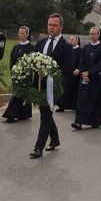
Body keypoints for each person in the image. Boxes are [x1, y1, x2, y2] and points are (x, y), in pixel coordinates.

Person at [30, 13, 73, 158]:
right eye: (49, 25)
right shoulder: (41, 43)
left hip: (54, 86)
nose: (51, 28)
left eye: (55, 25)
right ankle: (55, 139)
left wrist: (52, 70)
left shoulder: (66, 46)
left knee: (46, 114)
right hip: (40, 84)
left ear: (61, 27)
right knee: (45, 112)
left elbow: (69, 67)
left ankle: (38, 147)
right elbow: (33, 60)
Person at [72, 27, 101, 129]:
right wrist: (83, 73)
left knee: (95, 100)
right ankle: (78, 121)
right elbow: (82, 62)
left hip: (96, 77)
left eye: (94, 34)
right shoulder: (86, 48)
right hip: (85, 78)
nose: (92, 36)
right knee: (82, 100)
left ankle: (95, 121)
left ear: (98, 35)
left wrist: (90, 73)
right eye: (90, 34)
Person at [2, 26, 35, 122]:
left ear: (27, 34)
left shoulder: (31, 47)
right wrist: (13, 71)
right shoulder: (16, 47)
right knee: (18, 93)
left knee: (20, 93)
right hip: (16, 74)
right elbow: (12, 60)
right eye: (19, 33)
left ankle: (11, 114)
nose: (21, 35)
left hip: (25, 75)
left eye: (23, 33)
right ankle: (23, 114)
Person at [56, 35, 81, 112]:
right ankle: (62, 105)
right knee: (65, 89)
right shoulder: (67, 49)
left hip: (76, 74)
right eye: (70, 39)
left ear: (77, 41)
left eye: (73, 39)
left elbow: (82, 61)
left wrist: (78, 69)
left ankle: (75, 106)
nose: (71, 41)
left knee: (74, 90)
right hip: (67, 73)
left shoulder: (80, 50)